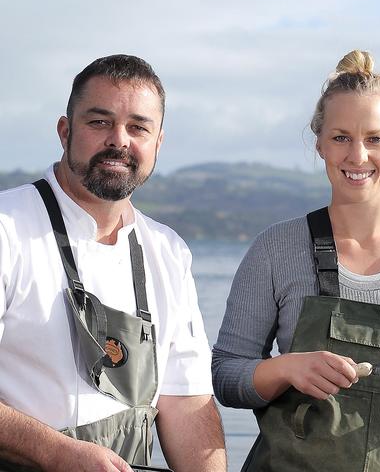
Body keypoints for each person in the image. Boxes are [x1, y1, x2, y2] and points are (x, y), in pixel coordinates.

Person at [212, 50, 380, 471]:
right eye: (341, 137)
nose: (357, 156)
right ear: (319, 142)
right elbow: (227, 376)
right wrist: (287, 369)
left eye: (374, 138)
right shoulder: (276, 248)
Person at [0, 55, 227, 472]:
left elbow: (186, 401)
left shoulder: (168, 252)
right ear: (65, 132)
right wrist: (54, 452)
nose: (119, 140)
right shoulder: (7, 229)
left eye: (138, 127)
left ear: (157, 144)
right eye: (99, 122)